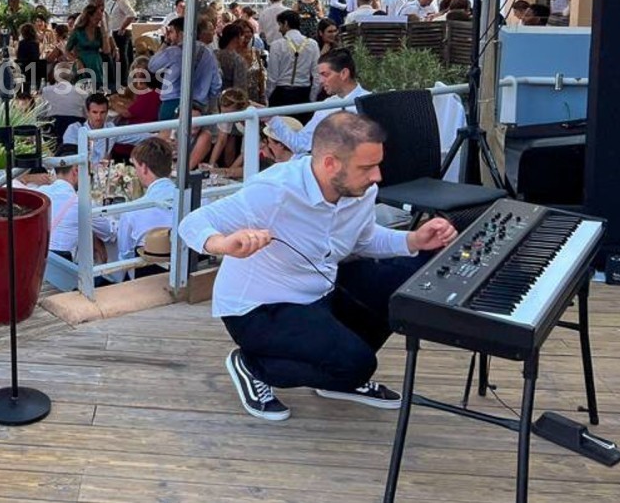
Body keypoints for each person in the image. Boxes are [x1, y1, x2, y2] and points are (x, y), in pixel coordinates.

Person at [178, 112, 458, 421]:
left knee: (406, 283)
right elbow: (193, 222)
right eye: (366, 167)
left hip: (318, 295)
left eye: (378, 164)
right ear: (329, 164)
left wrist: (414, 240)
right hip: (259, 310)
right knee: (357, 364)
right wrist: (224, 244)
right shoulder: (275, 191)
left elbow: (363, 240)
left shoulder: (361, 190)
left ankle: (339, 378)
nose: (377, 175)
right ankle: (254, 366)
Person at [268, 48, 369, 157]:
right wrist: (270, 118)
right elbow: (301, 144)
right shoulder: (326, 106)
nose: (321, 80)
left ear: (344, 73)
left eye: (325, 74)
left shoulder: (370, 102)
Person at [118, 137, 177, 277]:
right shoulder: (197, 199)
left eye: (136, 167)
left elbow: (125, 256)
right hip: (188, 272)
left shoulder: (132, 211)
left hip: (147, 278)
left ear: (144, 167)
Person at [148, 17, 222, 121]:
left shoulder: (173, 52)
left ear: (181, 33)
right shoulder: (208, 52)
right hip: (199, 105)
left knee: (167, 136)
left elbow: (152, 66)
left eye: (171, 32)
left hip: (172, 102)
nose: (169, 35)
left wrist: (166, 42)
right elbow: (216, 83)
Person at [265, 10, 317, 111]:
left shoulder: (277, 45)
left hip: (281, 94)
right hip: (304, 93)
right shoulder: (313, 44)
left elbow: (272, 77)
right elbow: (317, 75)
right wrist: (312, 98)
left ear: (286, 23)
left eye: (280, 25)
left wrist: (268, 96)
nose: (279, 29)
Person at [67, 4, 113, 90]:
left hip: (96, 64)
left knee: (97, 92)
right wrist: (76, 60)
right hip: (82, 64)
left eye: (100, 20)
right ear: (89, 17)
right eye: (96, 19)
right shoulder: (78, 31)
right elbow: (67, 50)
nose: (98, 21)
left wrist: (104, 33)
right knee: (81, 92)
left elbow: (106, 51)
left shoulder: (99, 31)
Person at [107, 0, 137, 81]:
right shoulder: (118, 2)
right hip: (116, 31)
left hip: (120, 33)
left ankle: (123, 79)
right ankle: (122, 77)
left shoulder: (122, 1)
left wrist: (122, 27)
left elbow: (131, 14)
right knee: (124, 55)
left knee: (121, 56)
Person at [216, 22, 249, 93]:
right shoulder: (238, 60)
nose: (244, 38)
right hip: (229, 99)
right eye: (242, 35)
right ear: (236, 38)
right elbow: (240, 90)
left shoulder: (214, 54)